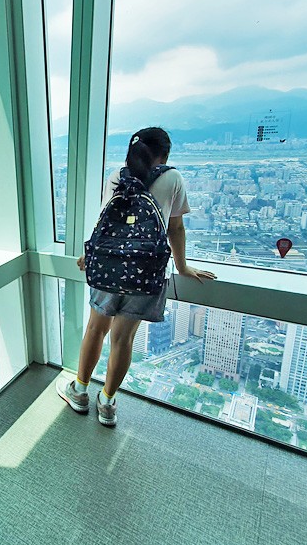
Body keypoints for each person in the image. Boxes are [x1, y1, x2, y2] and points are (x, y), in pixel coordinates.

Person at [57, 126, 216, 426]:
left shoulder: (118, 177)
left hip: (110, 268)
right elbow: (175, 229)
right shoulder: (173, 179)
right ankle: (107, 403)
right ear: (165, 154)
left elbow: (106, 222)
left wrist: (91, 256)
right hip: (144, 272)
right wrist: (182, 268)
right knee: (123, 339)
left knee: (95, 329)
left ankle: (79, 391)